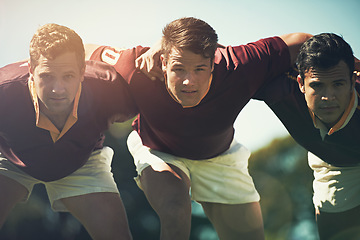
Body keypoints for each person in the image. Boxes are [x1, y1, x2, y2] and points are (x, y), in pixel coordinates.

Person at [87, 17, 312, 240]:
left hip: (220, 157)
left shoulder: (241, 64)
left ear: (213, 63)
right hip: (158, 150)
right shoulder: (135, 64)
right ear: (163, 62)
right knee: (175, 211)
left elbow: (303, 41)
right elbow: (81, 49)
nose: (188, 81)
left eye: (199, 69)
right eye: (179, 69)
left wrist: (347, 65)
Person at [0, 23, 137, 239]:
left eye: (68, 76)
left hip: (82, 161)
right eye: (47, 76)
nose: (58, 89)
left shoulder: (110, 89)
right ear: (31, 70)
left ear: (83, 72)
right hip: (10, 157)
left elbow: (159, 105)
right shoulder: (3, 90)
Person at [252, 33, 360, 239]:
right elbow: (224, 61)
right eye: (317, 86)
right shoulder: (279, 88)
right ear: (301, 83)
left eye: (338, 84)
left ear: (353, 79)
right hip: (335, 162)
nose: (328, 97)